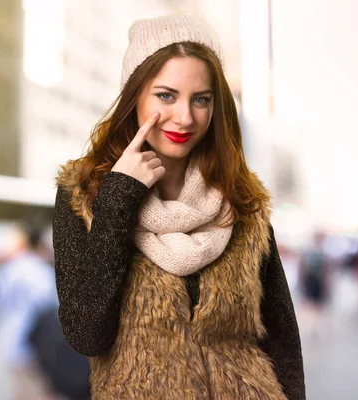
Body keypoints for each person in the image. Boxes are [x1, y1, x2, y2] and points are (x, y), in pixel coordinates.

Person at [53, 13, 305, 399]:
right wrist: (120, 195)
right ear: (134, 94)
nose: (185, 117)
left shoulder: (242, 199)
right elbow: (86, 333)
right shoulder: (85, 194)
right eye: (166, 95)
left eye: (201, 99)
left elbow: (282, 341)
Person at [0, 222, 62, 400]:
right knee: (41, 391)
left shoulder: (4, 269)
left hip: (11, 338)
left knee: (24, 390)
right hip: (35, 342)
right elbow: (50, 305)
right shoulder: (38, 269)